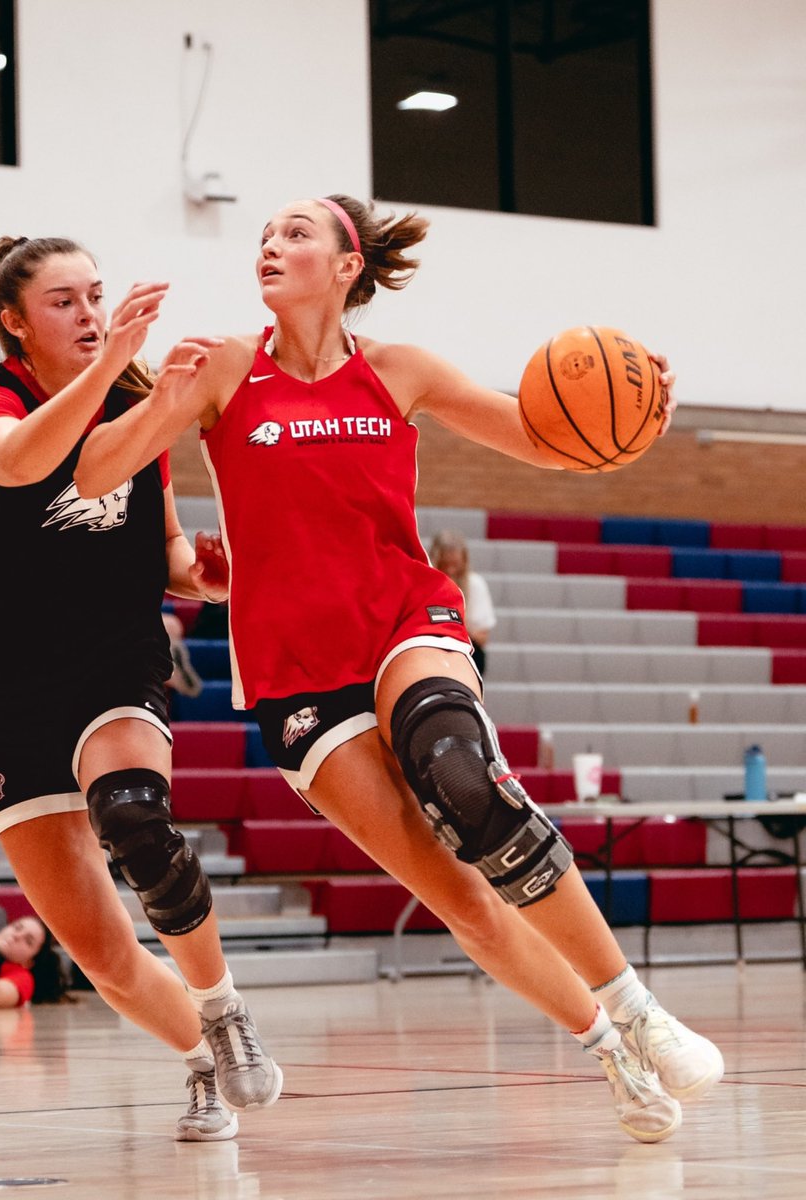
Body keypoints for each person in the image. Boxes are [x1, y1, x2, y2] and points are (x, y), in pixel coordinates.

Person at [72, 193, 724, 1145]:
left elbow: (548, 438)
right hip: (294, 667)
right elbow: (93, 474)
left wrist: (637, 414)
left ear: (346, 267)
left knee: (466, 780)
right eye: (264, 236)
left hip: (401, 619)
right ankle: (605, 1047)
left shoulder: (399, 370)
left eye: (296, 234)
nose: (271, 245)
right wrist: (166, 407)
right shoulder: (218, 366)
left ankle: (636, 1007)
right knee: (462, 900)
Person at [0, 236, 282, 1143]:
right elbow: (19, 462)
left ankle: (224, 1005)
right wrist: (125, 372)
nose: (89, 314)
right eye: (63, 301)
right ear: (15, 322)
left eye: (95, 294)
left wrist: (199, 574)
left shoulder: (137, 407)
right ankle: (202, 1056)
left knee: (135, 814)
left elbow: (161, 545)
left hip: (113, 670)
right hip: (5, 698)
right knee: (102, 954)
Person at [429, 529, 497, 675]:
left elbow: (482, 637)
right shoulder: (426, 584)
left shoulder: (475, 584)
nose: (451, 571)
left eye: (455, 565)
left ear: (463, 562)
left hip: (467, 650)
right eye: (445, 565)